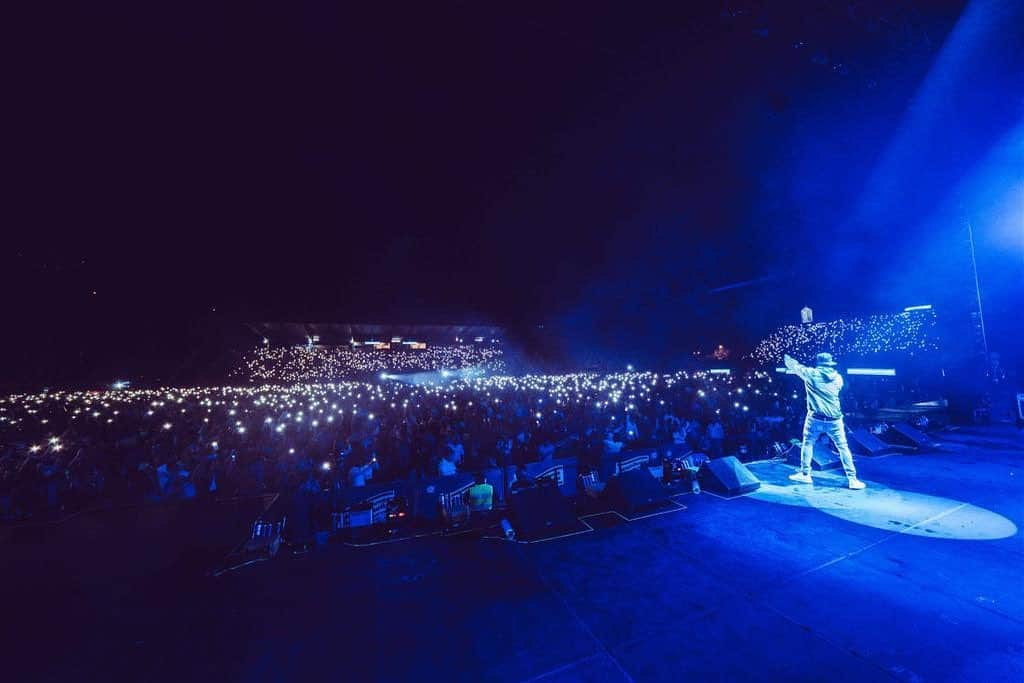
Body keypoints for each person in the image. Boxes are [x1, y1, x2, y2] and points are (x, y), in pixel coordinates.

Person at [784, 353, 866, 490]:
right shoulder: (838, 378)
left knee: (808, 443)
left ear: (818, 363)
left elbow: (795, 366)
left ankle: (805, 474)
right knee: (843, 447)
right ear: (830, 364)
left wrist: (787, 359)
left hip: (815, 418)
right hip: (835, 419)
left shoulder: (811, 374)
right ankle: (853, 480)